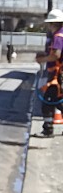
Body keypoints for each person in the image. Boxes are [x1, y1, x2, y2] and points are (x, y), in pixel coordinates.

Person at [35, 8, 63, 136]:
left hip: (57, 74)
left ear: (53, 24)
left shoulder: (58, 36)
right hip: (57, 74)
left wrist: (42, 59)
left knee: (48, 101)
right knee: (58, 100)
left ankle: (48, 129)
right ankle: (48, 128)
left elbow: (56, 55)